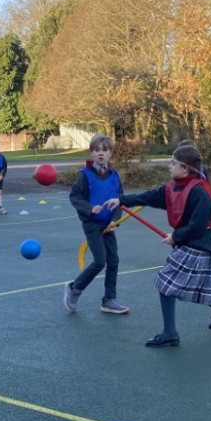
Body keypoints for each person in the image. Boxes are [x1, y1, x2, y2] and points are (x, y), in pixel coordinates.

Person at [102, 144, 211, 347]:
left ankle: (170, 333)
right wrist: (121, 200)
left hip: (197, 245)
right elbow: (149, 197)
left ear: (186, 168)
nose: (169, 166)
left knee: (166, 285)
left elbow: (198, 225)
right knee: (198, 289)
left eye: (173, 163)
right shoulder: (173, 185)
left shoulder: (199, 192)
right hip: (189, 245)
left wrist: (176, 237)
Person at [64, 134, 130, 315]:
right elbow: (75, 197)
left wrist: (114, 221)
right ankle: (74, 289)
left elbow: (120, 201)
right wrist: (90, 208)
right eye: (96, 150)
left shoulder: (114, 175)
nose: (100, 153)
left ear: (110, 153)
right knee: (100, 261)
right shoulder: (84, 175)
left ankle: (109, 299)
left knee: (114, 261)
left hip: (108, 225)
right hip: (92, 225)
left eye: (105, 150)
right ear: (92, 153)